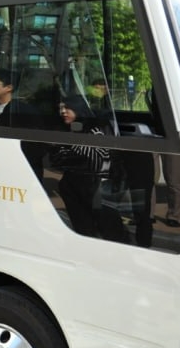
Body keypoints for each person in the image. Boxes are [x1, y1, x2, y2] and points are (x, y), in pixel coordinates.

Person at [49, 94, 129, 244]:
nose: (63, 112)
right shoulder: (66, 129)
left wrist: (72, 144)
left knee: (109, 228)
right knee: (84, 230)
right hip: (74, 187)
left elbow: (101, 158)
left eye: (67, 108)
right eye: (61, 108)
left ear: (78, 109)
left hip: (95, 187)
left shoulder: (93, 129)